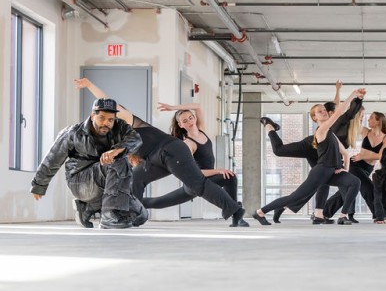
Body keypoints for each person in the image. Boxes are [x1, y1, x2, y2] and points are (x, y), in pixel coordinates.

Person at [74, 78, 249, 228]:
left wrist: (89, 84)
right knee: (136, 177)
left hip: (170, 150)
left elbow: (109, 102)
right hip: (154, 159)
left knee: (197, 185)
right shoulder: (115, 138)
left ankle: (235, 210)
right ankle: (131, 213)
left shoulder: (129, 121)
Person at [30, 97, 146, 229]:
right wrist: (39, 185)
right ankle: (108, 217)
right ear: (92, 116)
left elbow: (136, 139)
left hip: (107, 182)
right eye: (101, 118)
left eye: (110, 119)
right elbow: (52, 158)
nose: (106, 123)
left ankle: (86, 208)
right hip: (80, 181)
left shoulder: (120, 127)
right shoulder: (73, 133)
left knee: (140, 216)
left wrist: (115, 151)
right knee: (119, 161)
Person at [252, 89, 364, 225]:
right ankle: (260, 212)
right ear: (314, 118)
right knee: (294, 197)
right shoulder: (322, 130)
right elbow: (339, 111)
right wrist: (353, 94)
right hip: (321, 171)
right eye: (319, 111)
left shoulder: (331, 133)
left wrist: (344, 169)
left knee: (355, 182)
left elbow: (346, 154)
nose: (323, 112)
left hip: (332, 171)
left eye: (324, 110)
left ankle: (343, 215)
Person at [130, 102, 246, 227]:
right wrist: (217, 171)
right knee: (156, 202)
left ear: (195, 117)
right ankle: (132, 205)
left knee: (230, 177)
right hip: (193, 183)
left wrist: (173, 108)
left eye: (191, 118)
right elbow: (194, 171)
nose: (190, 122)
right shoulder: (187, 144)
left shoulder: (201, 130)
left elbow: (198, 106)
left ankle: (236, 218)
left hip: (207, 179)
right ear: (180, 125)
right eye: (185, 121)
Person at [323, 110, 386, 222]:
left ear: (379, 121)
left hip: (367, 168)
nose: (368, 120)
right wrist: (357, 109)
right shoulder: (365, 131)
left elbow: (381, 156)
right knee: (368, 187)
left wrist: (364, 156)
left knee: (344, 192)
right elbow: (353, 123)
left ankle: (324, 213)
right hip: (354, 164)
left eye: (371, 118)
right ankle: (380, 215)